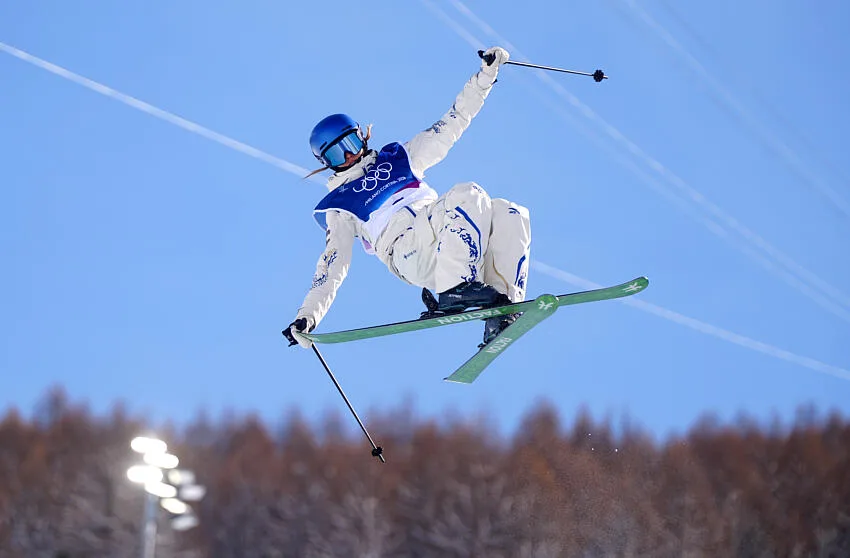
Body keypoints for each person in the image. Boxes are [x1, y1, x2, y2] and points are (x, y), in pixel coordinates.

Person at [283, 46, 531, 350]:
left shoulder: (400, 158)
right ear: (327, 163)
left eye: (350, 143)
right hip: (408, 252)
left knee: (510, 213)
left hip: (447, 242)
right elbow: (332, 265)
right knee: (469, 193)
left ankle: (503, 311)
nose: (348, 156)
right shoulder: (341, 204)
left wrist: (485, 77)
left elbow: (452, 123)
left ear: (361, 136)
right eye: (337, 153)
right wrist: (307, 316)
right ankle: (455, 288)